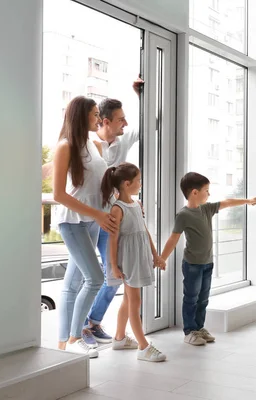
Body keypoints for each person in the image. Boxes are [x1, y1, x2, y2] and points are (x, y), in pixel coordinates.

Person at [161, 172, 256, 345]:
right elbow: (174, 238)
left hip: (208, 263)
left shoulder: (206, 209)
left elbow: (228, 203)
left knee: (203, 299)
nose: (209, 194)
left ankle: (199, 328)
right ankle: (189, 331)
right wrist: (162, 258)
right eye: (206, 190)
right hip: (192, 265)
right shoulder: (183, 215)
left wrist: (248, 200)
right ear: (194, 192)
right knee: (191, 298)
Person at [53, 96, 118, 358]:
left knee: (74, 281)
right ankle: (76, 336)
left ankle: (62, 343)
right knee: (95, 278)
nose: (98, 118)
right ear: (81, 116)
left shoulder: (94, 146)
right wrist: (97, 215)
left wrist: (120, 205)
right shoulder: (65, 147)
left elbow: (100, 187)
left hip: (93, 220)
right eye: (94, 114)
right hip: (72, 221)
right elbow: (59, 194)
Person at [84, 77, 144, 346]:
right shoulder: (87, 146)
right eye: (120, 119)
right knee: (88, 277)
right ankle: (80, 330)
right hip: (88, 218)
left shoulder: (123, 141)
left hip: (112, 219)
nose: (125, 124)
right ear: (105, 121)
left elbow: (144, 126)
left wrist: (140, 94)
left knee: (114, 275)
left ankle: (92, 323)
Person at [100, 162, 167, 362]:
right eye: (138, 180)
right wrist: (113, 266)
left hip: (140, 256)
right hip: (128, 260)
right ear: (127, 183)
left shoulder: (136, 204)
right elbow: (112, 239)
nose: (141, 183)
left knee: (128, 300)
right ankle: (143, 346)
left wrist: (155, 255)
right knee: (135, 302)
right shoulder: (117, 209)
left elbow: (144, 232)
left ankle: (119, 338)